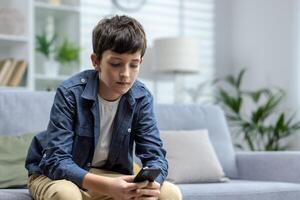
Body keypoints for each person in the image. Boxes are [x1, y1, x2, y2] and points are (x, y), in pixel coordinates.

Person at [25, 15, 182, 200]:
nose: (125, 74)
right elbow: (57, 160)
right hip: (58, 174)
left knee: (169, 193)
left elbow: (155, 155)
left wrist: (152, 183)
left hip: (112, 174)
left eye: (134, 65)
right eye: (116, 64)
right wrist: (109, 187)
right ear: (96, 61)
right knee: (65, 195)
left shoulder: (142, 97)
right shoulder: (70, 93)